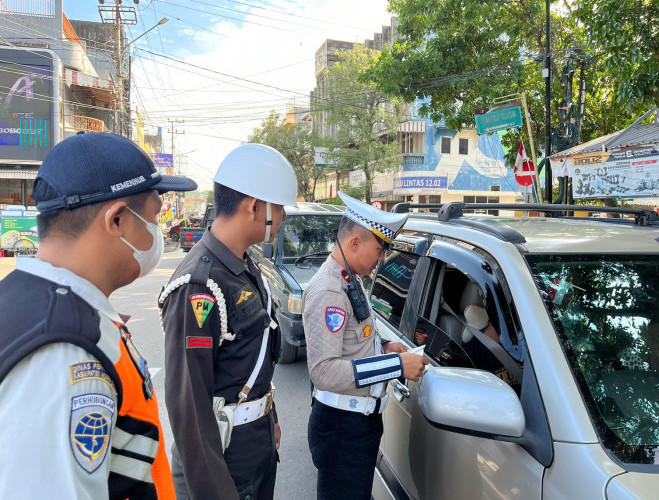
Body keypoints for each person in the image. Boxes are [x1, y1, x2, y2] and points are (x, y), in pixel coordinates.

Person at [0, 132, 197, 499]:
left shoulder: (37, 303)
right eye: (154, 216)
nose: (157, 230)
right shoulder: (63, 354)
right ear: (118, 219)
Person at [159, 143, 297, 500]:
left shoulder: (245, 266)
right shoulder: (200, 285)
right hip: (223, 465)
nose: (282, 217)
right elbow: (190, 410)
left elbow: (253, 359)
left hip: (256, 448)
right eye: (279, 207)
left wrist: (270, 417)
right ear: (254, 207)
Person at [303, 191, 429, 500]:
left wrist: (385, 347)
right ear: (354, 243)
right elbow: (324, 371)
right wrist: (397, 366)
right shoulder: (329, 290)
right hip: (343, 429)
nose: (382, 258)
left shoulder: (350, 276)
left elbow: (354, 336)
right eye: (380, 248)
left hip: (357, 425)